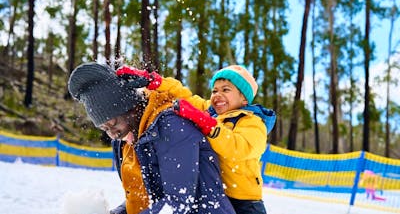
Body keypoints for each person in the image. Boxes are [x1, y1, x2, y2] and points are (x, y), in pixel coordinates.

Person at [68, 63, 236, 214]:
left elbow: (178, 203)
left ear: (130, 108)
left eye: (113, 123)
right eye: (104, 129)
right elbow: (141, 198)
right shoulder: (127, 141)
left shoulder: (173, 126)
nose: (112, 134)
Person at [117, 64, 276, 214]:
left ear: (244, 99)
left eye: (226, 90)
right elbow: (182, 94)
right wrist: (153, 81)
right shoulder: (211, 112)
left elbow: (239, 149)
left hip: (245, 202)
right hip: (218, 193)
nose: (218, 95)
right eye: (214, 91)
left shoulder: (252, 122)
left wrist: (208, 124)